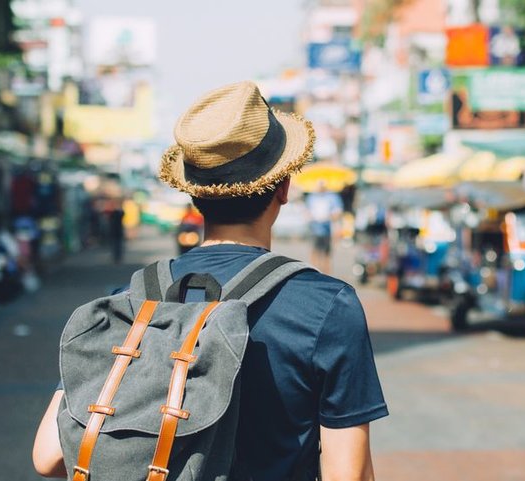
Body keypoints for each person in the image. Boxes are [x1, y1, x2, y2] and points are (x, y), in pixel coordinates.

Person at [32, 81, 388, 481]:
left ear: (194, 194)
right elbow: (349, 475)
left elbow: (48, 455)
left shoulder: (132, 301)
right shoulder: (326, 305)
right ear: (284, 187)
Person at [305, 181, 342, 273]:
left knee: (326, 253)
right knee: (315, 251)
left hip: (327, 228)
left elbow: (338, 212)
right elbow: (306, 211)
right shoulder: (311, 197)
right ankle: (313, 272)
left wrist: (329, 217)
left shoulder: (332, 197)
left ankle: (326, 273)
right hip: (314, 227)